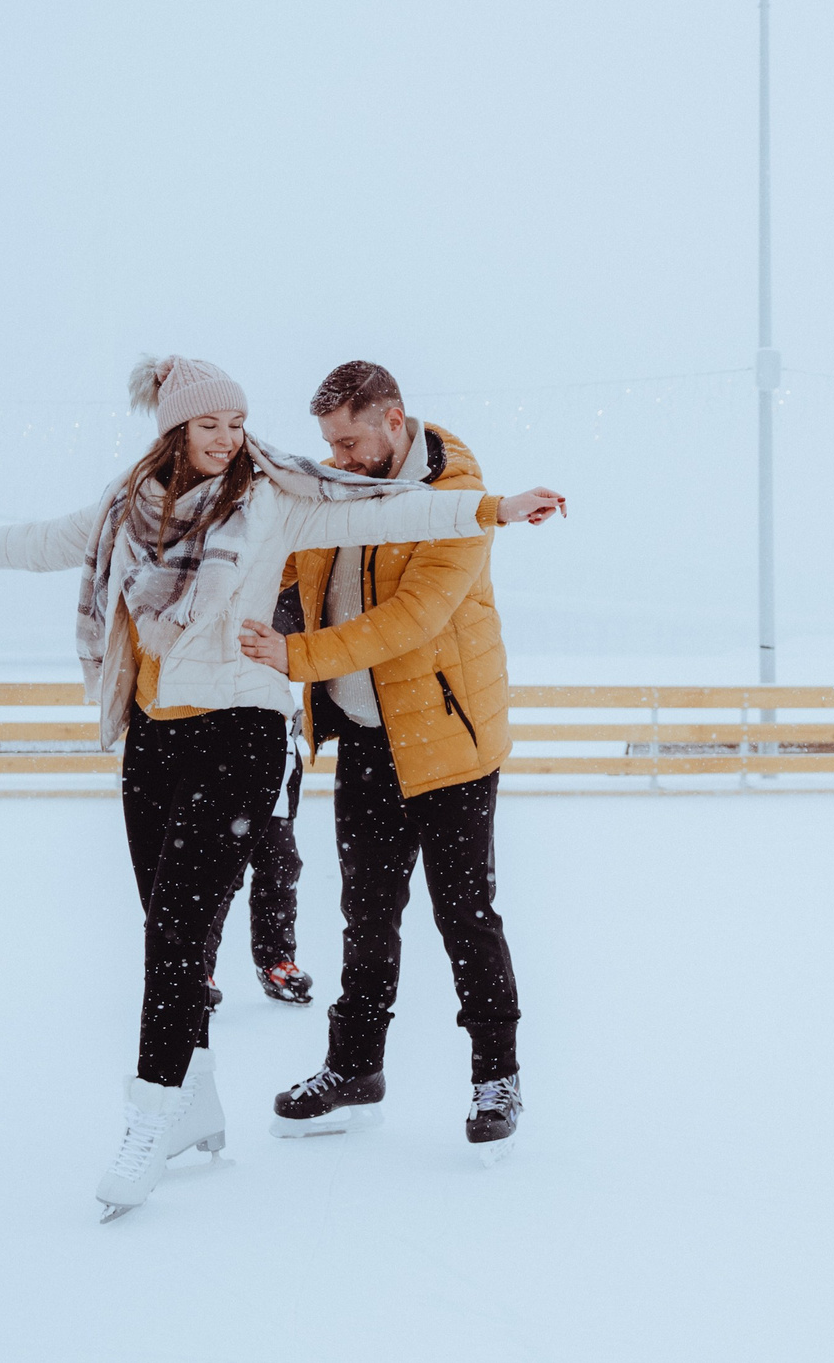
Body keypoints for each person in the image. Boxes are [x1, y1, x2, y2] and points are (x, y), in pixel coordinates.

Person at [0, 355, 564, 1221]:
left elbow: (405, 559)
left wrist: (495, 509)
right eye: (211, 425)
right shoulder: (148, 504)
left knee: (445, 915)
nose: (231, 439)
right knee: (296, 921)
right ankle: (293, 1080)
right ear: (173, 431)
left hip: (354, 736)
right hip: (257, 737)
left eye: (238, 423)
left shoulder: (326, 494)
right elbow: (57, 541)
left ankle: (484, 1077)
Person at [234, 360, 525, 1163]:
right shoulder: (338, 487)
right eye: (329, 443)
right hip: (366, 737)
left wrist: (294, 656)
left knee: (465, 916)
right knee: (366, 915)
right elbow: (288, 567)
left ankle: (496, 1076)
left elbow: (411, 619)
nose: (339, 457)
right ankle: (355, 1068)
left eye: (350, 441)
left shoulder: (456, 497)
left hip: (448, 743)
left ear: (394, 421)